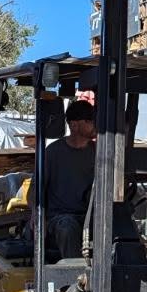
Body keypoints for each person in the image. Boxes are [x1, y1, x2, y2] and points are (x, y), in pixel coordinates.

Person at [43, 99, 97, 258]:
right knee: (68, 227)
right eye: (89, 120)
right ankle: (79, 278)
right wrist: (35, 215)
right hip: (60, 217)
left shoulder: (99, 153)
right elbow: (35, 190)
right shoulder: (53, 153)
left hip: (91, 216)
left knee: (120, 224)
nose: (95, 124)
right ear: (74, 125)